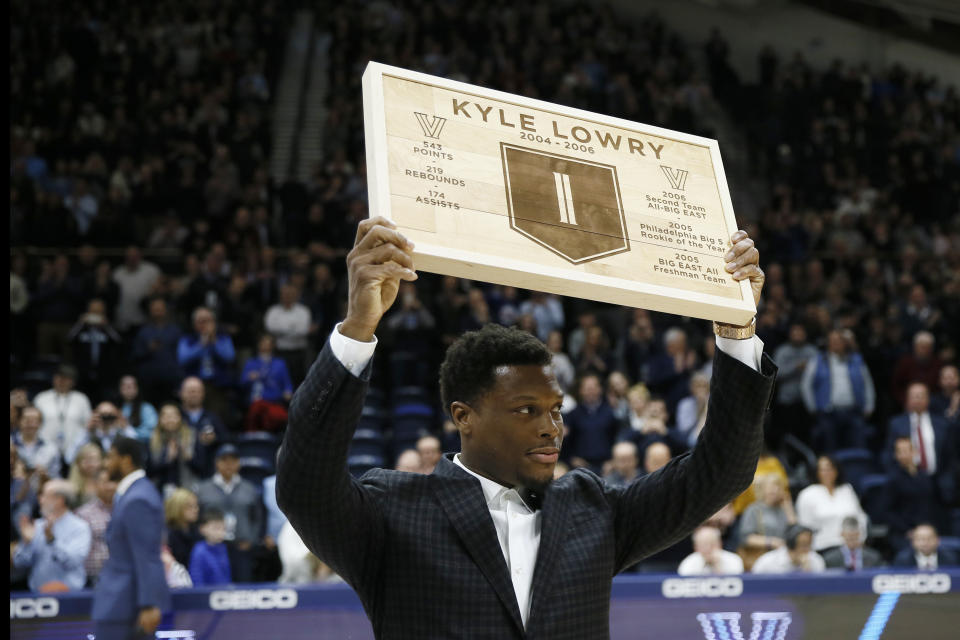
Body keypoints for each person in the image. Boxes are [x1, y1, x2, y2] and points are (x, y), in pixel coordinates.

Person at [276, 219, 775, 636]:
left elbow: (722, 472)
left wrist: (736, 333)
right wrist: (358, 330)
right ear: (463, 417)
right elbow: (304, 487)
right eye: (525, 410)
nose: (550, 428)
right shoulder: (393, 511)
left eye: (555, 410)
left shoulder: (592, 510)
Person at [92, 436, 170, 640]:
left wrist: (149, 604)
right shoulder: (132, 494)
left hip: (125, 606)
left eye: (110, 457)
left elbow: (147, 555)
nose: (106, 463)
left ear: (126, 460)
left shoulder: (138, 498)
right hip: (122, 605)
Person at [195, 444, 263, 583]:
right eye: (224, 460)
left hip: (241, 547)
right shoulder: (203, 489)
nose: (229, 464)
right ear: (216, 463)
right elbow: (197, 517)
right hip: (212, 549)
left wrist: (252, 540)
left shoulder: (249, 488)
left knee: (243, 589)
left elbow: (259, 517)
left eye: (233, 460)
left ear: (239, 463)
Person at [801, 329, 876, 452]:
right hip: (828, 413)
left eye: (839, 340)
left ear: (845, 343)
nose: (836, 343)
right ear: (828, 343)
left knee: (858, 447)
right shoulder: (818, 360)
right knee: (830, 449)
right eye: (833, 340)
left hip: (854, 411)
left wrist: (869, 405)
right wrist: (812, 407)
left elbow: (867, 383)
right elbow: (806, 385)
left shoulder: (857, 360)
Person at [12, 478, 92, 591]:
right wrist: (26, 543)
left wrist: (52, 540)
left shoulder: (80, 527)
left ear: (59, 500)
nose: (40, 500)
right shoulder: (38, 526)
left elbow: (72, 562)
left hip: (70, 596)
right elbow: (20, 564)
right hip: (37, 597)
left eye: (44, 495)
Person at [795, 455, 868, 553]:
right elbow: (805, 527)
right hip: (824, 547)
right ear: (816, 472)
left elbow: (861, 517)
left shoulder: (846, 489)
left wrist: (862, 539)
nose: (827, 473)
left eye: (830, 469)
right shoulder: (807, 494)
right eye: (823, 470)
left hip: (854, 545)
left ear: (837, 470)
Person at [884, 437, 942, 552]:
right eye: (899, 451)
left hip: (927, 529)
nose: (903, 455)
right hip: (904, 533)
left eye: (906, 450)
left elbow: (933, 504)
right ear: (895, 455)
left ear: (915, 451)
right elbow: (888, 511)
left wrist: (929, 529)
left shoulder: (925, 476)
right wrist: (908, 530)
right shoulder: (893, 479)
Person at [884, 382, 949, 477]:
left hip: (938, 478)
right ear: (907, 400)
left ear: (928, 399)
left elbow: (949, 456)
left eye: (921, 396)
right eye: (914, 396)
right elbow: (889, 454)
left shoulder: (942, 423)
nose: (918, 400)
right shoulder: (896, 424)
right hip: (907, 478)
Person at [563, 374, 622, 473]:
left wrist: (613, 461)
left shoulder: (611, 413)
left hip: (607, 466)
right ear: (580, 390)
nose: (590, 391)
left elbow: (618, 437)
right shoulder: (572, 415)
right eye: (587, 388)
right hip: (580, 466)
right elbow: (565, 441)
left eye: (593, 387)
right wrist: (571, 459)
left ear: (600, 389)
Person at [737, 473, 795, 570]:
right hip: (762, 556)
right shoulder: (754, 509)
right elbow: (745, 538)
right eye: (771, 486)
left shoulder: (785, 509)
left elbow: (795, 532)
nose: (774, 490)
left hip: (784, 557)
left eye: (778, 486)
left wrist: (788, 508)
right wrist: (771, 542)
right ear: (763, 489)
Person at [33, 365, 92, 460]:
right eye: (59, 377)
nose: (62, 381)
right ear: (53, 378)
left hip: (74, 452)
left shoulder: (81, 399)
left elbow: (87, 426)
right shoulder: (41, 398)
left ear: (73, 382)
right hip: (45, 451)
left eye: (66, 378)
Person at [131, 297, 183, 405]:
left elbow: (181, 356)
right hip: (148, 381)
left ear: (166, 310)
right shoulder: (143, 331)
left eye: (160, 309)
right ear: (150, 311)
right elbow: (135, 354)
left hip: (171, 379)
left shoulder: (175, 331)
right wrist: (148, 349)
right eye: (155, 309)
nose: (158, 312)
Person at [240, 333, 293, 432]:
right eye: (263, 342)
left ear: (273, 345)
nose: (265, 345)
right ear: (258, 344)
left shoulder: (280, 364)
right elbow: (242, 383)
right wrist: (249, 378)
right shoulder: (251, 363)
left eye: (268, 343)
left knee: (281, 417)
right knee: (255, 412)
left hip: (274, 401)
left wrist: (288, 392)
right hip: (255, 402)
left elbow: (287, 385)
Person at [178, 376, 228, 479]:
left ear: (203, 394)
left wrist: (214, 440)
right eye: (190, 391)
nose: (194, 394)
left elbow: (227, 440)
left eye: (197, 391)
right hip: (181, 473)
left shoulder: (212, 418)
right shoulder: (175, 417)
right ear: (181, 393)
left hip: (209, 473)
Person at [264, 284, 313, 386]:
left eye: (290, 294)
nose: (287, 296)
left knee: (297, 381)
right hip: (279, 352)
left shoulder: (303, 311)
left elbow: (303, 330)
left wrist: (281, 331)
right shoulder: (273, 311)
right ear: (280, 295)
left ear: (296, 295)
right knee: (278, 380)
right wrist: (292, 328)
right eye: (284, 294)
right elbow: (270, 328)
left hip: (298, 353)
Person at [76, 467, 117, 586]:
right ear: (96, 485)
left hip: (122, 577)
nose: (110, 486)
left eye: (113, 481)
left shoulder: (127, 511)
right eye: (105, 482)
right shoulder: (83, 514)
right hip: (93, 580)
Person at [148, 404, 197, 497]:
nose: (170, 420)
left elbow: (201, 466)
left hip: (187, 488)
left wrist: (187, 455)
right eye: (166, 417)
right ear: (160, 420)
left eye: (173, 416)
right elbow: (150, 471)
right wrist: (167, 459)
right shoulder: (153, 438)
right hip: (160, 489)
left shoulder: (191, 436)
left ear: (180, 418)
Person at [67, 402, 138, 465]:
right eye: (102, 416)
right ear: (95, 416)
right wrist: (87, 431)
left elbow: (139, 454)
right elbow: (69, 458)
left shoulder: (123, 436)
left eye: (110, 416)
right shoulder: (88, 436)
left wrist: (125, 427)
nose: (106, 420)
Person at [112, 246, 161, 335]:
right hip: (123, 319)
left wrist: (153, 292)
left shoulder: (151, 270)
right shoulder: (117, 273)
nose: (132, 258)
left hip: (145, 319)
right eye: (129, 256)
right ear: (125, 257)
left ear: (140, 256)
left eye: (135, 256)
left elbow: (160, 289)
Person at [751, 525, 826, 574]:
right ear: (791, 545)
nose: (807, 550)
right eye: (803, 545)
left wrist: (808, 571)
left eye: (809, 545)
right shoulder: (767, 562)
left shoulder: (816, 561)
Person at [13, 406, 62, 479]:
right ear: (19, 421)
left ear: (41, 423)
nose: (30, 424)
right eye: (26, 419)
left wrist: (46, 476)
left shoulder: (51, 448)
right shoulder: (11, 443)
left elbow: (56, 477)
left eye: (34, 420)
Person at [188, 507, 232, 586]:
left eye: (223, 529)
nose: (221, 532)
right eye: (216, 528)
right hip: (205, 595)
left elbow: (226, 577)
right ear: (202, 529)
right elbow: (197, 580)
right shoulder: (199, 551)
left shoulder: (223, 548)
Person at [678, 525, 744, 576]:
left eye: (711, 544)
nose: (707, 548)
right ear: (696, 548)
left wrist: (717, 567)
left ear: (720, 544)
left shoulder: (734, 560)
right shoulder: (688, 563)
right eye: (703, 545)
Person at [892, 523, 959, 570]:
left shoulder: (950, 558)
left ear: (938, 540)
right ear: (913, 542)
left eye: (929, 538)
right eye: (920, 539)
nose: (925, 542)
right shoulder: (903, 560)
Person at [164, 488, 201, 569]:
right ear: (177, 508)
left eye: (196, 505)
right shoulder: (168, 535)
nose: (196, 509)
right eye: (189, 506)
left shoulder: (196, 532)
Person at [675, 372, 711, 449]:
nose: (701, 389)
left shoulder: (712, 402)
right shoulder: (684, 404)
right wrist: (700, 408)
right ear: (691, 388)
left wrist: (705, 405)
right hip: (687, 438)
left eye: (704, 386)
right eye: (698, 386)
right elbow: (683, 429)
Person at [118, 376, 159, 444]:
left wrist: (129, 430)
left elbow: (152, 432)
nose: (128, 389)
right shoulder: (115, 409)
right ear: (120, 389)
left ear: (137, 389)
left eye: (131, 386)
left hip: (142, 446)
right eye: (125, 386)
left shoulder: (147, 409)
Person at [67, 442, 104, 506]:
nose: (91, 464)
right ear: (78, 463)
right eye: (87, 460)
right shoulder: (72, 486)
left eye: (94, 459)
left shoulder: (105, 483)